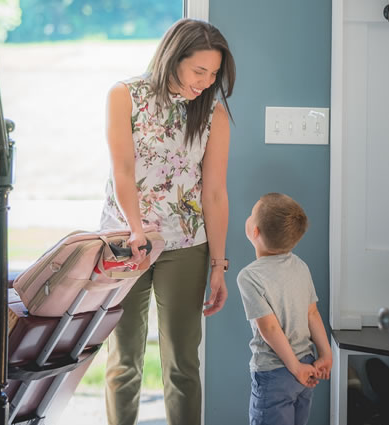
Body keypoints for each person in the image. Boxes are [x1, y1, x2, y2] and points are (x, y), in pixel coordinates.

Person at [99, 18, 236, 425]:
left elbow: (214, 194)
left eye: (213, 74)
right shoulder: (125, 96)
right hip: (127, 238)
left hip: (186, 245)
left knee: (182, 364)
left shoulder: (214, 115)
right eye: (200, 71)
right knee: (124, 361)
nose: (206, 81)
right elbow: (123, 170)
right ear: (174, 58)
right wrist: (136, 228)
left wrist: (218, 264)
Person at [237, 193, 332, 425]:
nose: (248, 218)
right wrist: (326, 354)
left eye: (251, 215)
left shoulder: (249, 276)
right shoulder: (300, 265)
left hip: (275, 373)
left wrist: (294, 367)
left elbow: (269, 328)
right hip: (306, 367)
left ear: (255, 232)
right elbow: (312, 314)